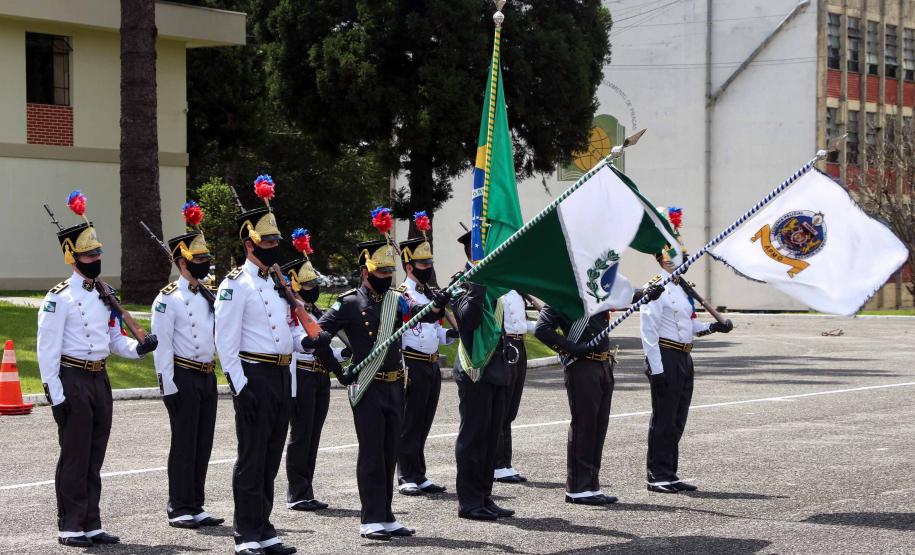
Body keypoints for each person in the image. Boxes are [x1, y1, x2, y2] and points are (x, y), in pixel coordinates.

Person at [314, 210, 450, 540]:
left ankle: (387, 515)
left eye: (390, 270)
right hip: (368, 387)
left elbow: (421, 315)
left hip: (395, 386)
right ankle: (371, 518)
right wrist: (339, 370)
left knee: (390, 453)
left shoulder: (396, 301)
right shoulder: (348, 303)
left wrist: (437, 304)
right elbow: (317, 336)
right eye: (381, 271)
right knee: (372, 454)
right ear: (365, 271)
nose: (386, 276)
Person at [38, 191, 157, 547]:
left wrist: (139, 349)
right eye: (89, 255)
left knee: (94, 455)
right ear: (72, 257)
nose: (96, 259)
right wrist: (56, 396)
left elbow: (114, 340)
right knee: (75, 455)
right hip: (72, 378)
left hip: (98, 378)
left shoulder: (106, 295)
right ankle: (70, 525)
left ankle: (91, 522)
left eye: (98, 253)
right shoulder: (58, 297)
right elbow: (47, 351)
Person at [215, 188, 303, 555]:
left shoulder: (275, 281)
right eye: (266, 241)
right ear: (249, 244)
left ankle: (264, 527)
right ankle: (246, 532)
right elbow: (225, 342)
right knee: (252, 458)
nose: (273, 246)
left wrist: (309, 342)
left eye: (275, 240)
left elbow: (287, 332)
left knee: (270, 457)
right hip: (255, 376)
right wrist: (240, 386)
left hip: (281, 375)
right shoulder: (235, 284)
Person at [534, 284, 662, 505]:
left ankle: (591, 485)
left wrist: (645, 293)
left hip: (603, 365)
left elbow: (620, 294)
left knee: (598, 427)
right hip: (581, 366)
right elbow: (542, 329)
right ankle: (577, 487)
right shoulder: (562, 293)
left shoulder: (595, 289)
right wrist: (571, 348)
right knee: (584, 426)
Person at [640, 212, 733, 494]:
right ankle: (657, 475)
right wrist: (656, 369)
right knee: (664, 418)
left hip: (684, 356)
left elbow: (689, 325)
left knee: (678, 417)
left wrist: (713, 327)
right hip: (666, 356)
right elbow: (648, 333)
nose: (685, 260)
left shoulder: (681, 288)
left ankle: (670, 472)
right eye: (680, 256)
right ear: (664, 259)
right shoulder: (656, 287)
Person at [150, 203, 224, 529]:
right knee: (184, 443)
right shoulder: (167, 299)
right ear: (182, 262)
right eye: (198, 259)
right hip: (183, 375)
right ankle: (179, 506)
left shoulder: (208, 296)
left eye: (206, 258)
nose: (203, 264)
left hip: (207, 375)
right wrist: (168, 387)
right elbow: (162, 347)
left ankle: (196, 503)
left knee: (203, 442)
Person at [281, 229, 348, 513]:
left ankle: (306, 489)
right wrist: (312, 343)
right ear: (295, 284)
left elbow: (325, 346)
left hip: (320, 376)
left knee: (313, 435)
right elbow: (295, 342)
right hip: (302, 375)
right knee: (301, 435)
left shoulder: (314, 311)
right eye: (307, 283)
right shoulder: (290, 310)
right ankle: (297, 492)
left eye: (314, 283)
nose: (313, 287)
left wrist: (343, 354)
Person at [451, 230, 516, 521]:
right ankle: (469, 501)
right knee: (473, 437)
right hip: (474, 368)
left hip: (497, 367)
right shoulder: (461, 283)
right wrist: (477, 281)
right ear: (476, 253)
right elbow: (469, 319)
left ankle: (484, 495)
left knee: (491, 437)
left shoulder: (494, 284)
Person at [396, 212, 457, 496]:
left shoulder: (429, 292)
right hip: (413, 363)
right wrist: (435, 308)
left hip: (431, 364)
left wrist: (450, 335)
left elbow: (433, 330)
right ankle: (406, 474)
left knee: (424, 421)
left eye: (430, 263)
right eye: (423, 263)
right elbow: (416, 321)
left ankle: (419, 473)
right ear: (409, 266)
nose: (428, 267)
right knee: (410, 421)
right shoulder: (403, 294)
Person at [493, 289, 536, 484]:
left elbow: (522, 324)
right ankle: (496, 464)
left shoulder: (518, 292)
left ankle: (505, 462)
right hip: (505, 344)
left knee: (510, 409)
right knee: (501, 407)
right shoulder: (497, 291)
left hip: (519, 345)